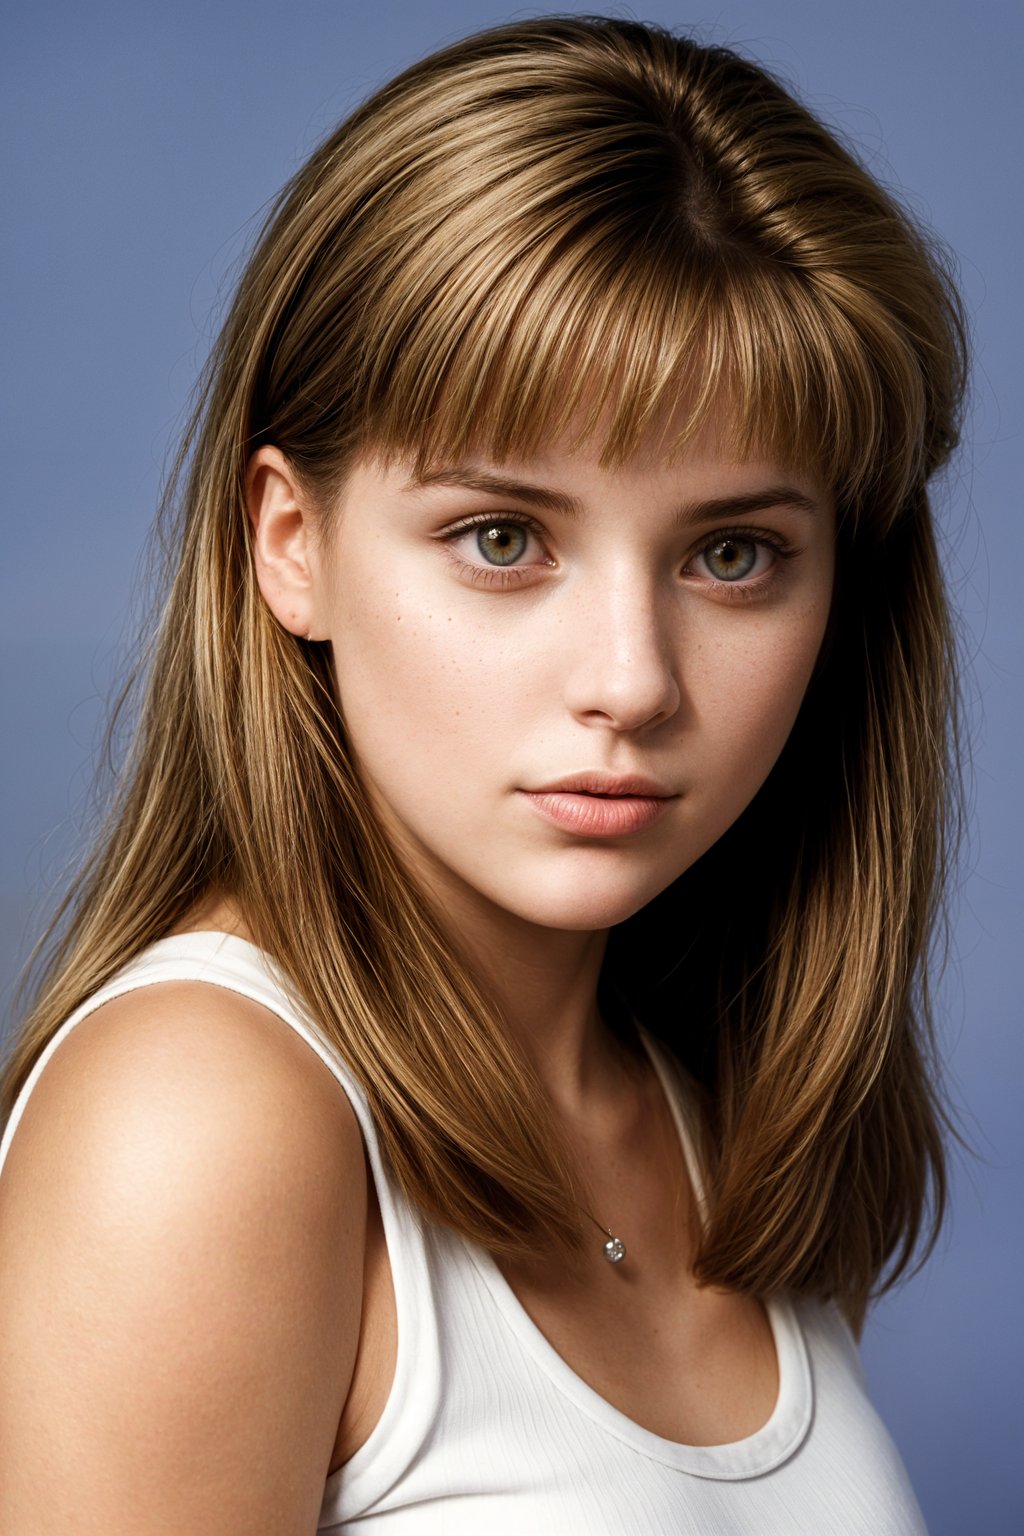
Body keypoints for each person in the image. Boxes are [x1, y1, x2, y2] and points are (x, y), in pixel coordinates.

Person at [0, 16, 966, 1533]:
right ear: (290, 545)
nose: (632, 682)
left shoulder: (700, 1092)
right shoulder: (201, 1120)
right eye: (502, 539)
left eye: (733, 555)